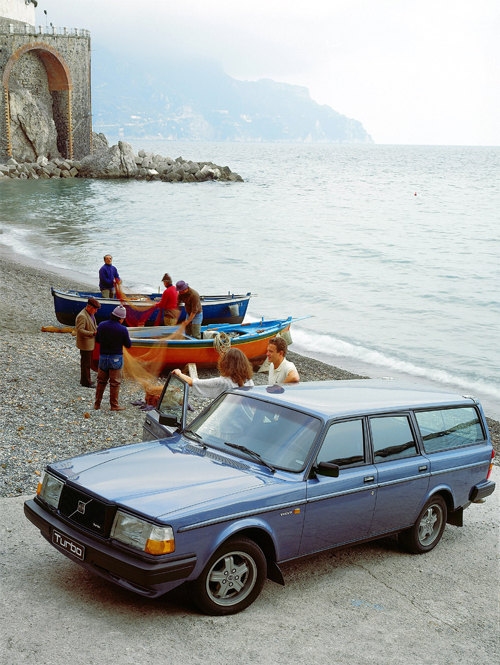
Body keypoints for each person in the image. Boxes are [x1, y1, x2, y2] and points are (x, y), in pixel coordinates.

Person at [172, 348, 254, 398]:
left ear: (225, 364)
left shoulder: (224, 382)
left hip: (231, 421)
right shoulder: (249, 380)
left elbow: (193, 382)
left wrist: (179, 374)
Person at [94, 305, 131, 411]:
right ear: (120, 318)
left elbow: (97, 340)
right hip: (116, 358)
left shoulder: (101, 325)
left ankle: (97, 404)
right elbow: (128, 345)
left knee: (101, 381)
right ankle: (114, 405)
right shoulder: (123, 329)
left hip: (103, 358)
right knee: (114, 383)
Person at [75, 297, 100, 388]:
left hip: (90, 343)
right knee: (86, 364)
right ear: (89, 307)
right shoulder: (82, 316)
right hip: (85, 344)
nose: (96, 311)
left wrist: (99, 329)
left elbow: (94, 326)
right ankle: (86, 382)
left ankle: (85, 380)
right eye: (95, 309)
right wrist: (93, 333)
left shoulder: (90, 314)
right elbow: (80, 331)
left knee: (88, 363)